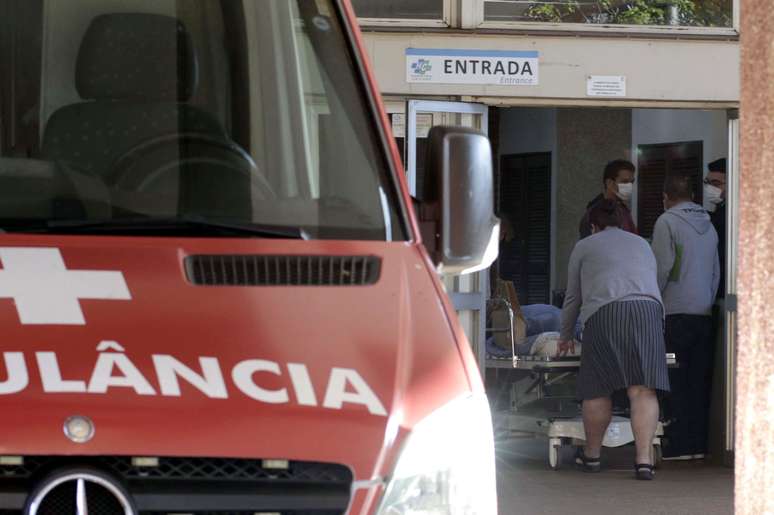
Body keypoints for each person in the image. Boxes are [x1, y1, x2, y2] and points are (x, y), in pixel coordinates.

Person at [558, 199, 669, 480]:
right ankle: (644, 461)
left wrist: (566, 334)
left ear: (593, 225)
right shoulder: (641, 243)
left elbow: (573, 296)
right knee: (643, 389)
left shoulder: (585, 245)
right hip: (649, 311)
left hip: (606, 312)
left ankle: (592, 456)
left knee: (598, 388)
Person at [651, 174, 720, 461]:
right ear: (692, 194)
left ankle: (677, 445)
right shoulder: (710, 225)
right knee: (698, 381)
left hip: (675, 312)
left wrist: (654, 300)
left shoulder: (666, 222)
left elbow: (663, 267)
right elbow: (716, 271)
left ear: (666, 196)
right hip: (703, 312)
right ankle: (697, 444)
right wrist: (706, 298)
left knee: (674, 380)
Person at [579, 159, 638, 239]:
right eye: (625, 182)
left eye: (632, 182)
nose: (629, 186)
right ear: (609, 183)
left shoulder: (623, 211)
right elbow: (589, 245)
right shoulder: (594, 214)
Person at [705, 158, 727, 298]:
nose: (710, 188)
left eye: (716, 184)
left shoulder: (733, 213)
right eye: (707, 183)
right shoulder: (719, 209)